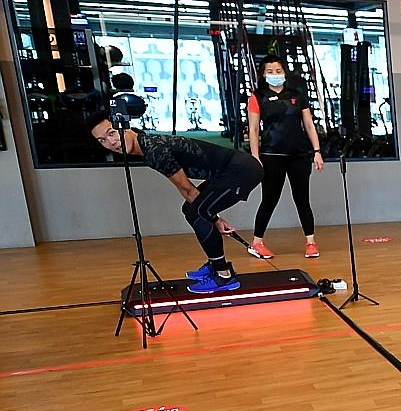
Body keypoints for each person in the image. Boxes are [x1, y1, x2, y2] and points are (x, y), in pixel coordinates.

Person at [88, 113, 262, 293]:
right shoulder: (145, 144)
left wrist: (214, 218)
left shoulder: (154, 150)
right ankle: (215, 264)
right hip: (227, 172)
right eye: (102, 140)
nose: (111, 142)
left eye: (112, 133)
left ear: (125, 127)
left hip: (242, 171)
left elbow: (188, 189)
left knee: (197, 212)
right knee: (191, 209)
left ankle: (224, 275)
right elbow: (184, 188)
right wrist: (213, 217)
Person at [246, 56, 324, 260]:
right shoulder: (257, 96)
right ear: (263, 74)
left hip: (299, 156)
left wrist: (316, 151)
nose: (274, 75)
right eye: (270, 71)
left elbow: (308, 124)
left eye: (278, 71)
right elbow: (254, 129)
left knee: (302, 199)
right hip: (272, 156)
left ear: (284, 72)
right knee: (270, 199)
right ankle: (257, 243)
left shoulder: (297, 96)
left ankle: (310, 242)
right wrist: (255, 156)